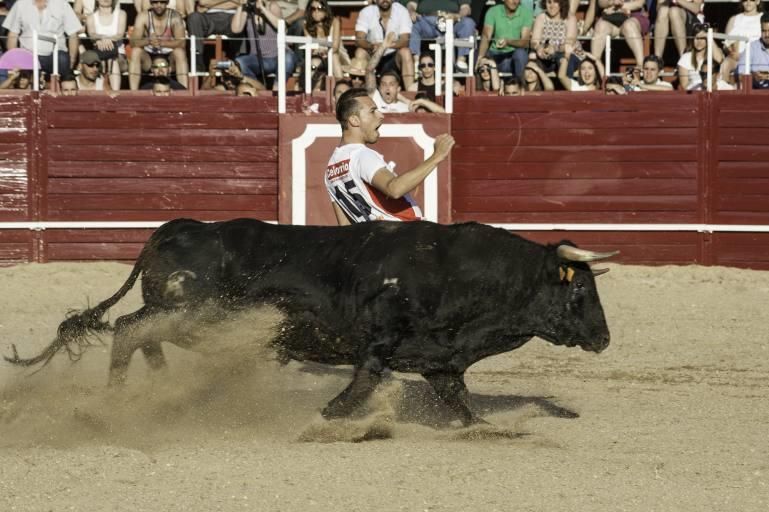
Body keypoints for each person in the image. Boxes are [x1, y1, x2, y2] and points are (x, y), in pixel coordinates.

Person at [324, 87, 455, 225]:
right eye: (372, 111)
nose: (381, 115)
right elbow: (394, 189)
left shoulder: (331, 169)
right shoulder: (361, 155)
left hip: (375, 241)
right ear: (354, 120)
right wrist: (437, 156)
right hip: (404, 233)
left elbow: (345, 227)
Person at [2, 0, 82, 77]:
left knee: (63, 59)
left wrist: (71, 62)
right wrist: (13, 60)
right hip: (28, 54)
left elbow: (73, 34)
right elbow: (13, 34)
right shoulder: (21, 4)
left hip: (54, 56)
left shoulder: (62, 4)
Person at [232, 0, 296, 89]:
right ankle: (257, 87)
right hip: (258, 59)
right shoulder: (247, 10)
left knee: (288, 57)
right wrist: (240, 6)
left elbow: (282, 26)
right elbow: (235, 29)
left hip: (277, 57)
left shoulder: (272, 6)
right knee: (240, 62)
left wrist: (263, 9)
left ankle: (277, 89)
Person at [129, 0, 188, 90]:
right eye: (155, 2)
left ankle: (184, 92)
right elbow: (133, 42)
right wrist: (148, 41)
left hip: (169, 58)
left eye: (162, 2)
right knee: (136, 51)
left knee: (179, 52)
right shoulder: (143, 16)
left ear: (167, 3)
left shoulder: (175, 16)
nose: (159, 5)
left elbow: (182, 43)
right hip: (149, 58)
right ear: (151, 3)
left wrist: (162, 42)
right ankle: (133, 93)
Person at [355, 0, 414, 88]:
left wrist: (384, 46)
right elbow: (359, 39)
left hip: (393, 56)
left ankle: (410, 93)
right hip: (373, 54)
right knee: (360, 52)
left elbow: (405, 41)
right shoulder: (366, 12)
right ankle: (358, 93)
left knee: (405, 52)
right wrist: (371, 46)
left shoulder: (402, 11)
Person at [407, 0, 476, 71]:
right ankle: (417, 62)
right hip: (427, 21)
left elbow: (466, 8)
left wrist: (457, 16)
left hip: (452, 21)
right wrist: (411, 12)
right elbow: (411, 4)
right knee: (413, 23)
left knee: (468, 22)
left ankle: (461, 59)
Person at [476, 0, 533, 78]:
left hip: (514, 58)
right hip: (495, 56)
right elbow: (486, 36)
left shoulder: (526, 13)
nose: (514, 1)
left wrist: (508, 41)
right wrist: (480, 57)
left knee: (521, 54)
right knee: (477, 56)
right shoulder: (493, 11)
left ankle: (521, 86)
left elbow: (525, 42)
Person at [590, 0, 649, 69]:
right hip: (611, 17)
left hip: (634, 16)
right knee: (600, 26)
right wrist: (612, 2)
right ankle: (595, 65)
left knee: (629, 26)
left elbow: (639, 3)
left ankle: (641, 65)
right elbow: (601, 3)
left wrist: (618, 7)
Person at [186, 0, 240, 72]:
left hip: (232, 18)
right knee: (193, 17)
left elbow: (241, 2)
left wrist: (210, 5)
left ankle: (238, 62)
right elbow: (203, 2)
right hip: (209, 17)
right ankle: (198, 61)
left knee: (243, 15)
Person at [86, 0, 127, 91]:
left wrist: (105, 40)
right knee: (106, 58)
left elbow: (120, 34)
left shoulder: (121, 14)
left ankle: (115, 93)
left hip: (118, 55)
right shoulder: (91, 17)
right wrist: (103, 38)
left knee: (112, 58)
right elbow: (92, 34)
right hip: (99, 55)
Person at [529, 0, 576, 73]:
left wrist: (554, 48)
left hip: (564, 53)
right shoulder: (541, 17)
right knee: (532, 59)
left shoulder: (570, 18)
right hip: (545, 55)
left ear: (561, 3)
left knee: (563, 60)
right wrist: (539, 48)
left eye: (555, 2)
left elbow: (569, 43)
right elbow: (534, 41)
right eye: (549, 2)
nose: (552, 6)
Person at [722, 0, 763, 82]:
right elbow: (725, 45)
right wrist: (731, 52)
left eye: (752, 0)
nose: (748, 2)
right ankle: (725, 90)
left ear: (757, 1)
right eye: (745, 0)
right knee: (725, 64)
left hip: (757, 59)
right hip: (736, 58)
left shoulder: (763, 18)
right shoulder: (733, 19)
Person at [677, 22, 723, 90]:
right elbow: (684, 85)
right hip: (695, 90)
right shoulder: (686, 57)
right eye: (696, 38)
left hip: (714, 88)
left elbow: (720, 60)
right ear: (692, 40)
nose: (699, 42)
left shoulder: (713, 52)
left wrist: (708, 36)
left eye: (702, 38)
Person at [736, 13, 769, 89]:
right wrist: (753, 77)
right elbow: (740, 75)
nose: (767, 34)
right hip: (758, 94)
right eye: (764, 31)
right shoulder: (751, 48)